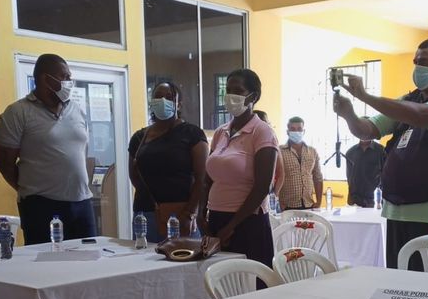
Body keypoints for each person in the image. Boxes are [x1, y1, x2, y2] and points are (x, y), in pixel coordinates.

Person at [333, 37, 428, 270]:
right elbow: (367, 130)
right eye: (415, 62)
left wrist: (366, 97)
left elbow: (421, 115)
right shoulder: (408, 100)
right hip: (396, 211)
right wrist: (349, 114)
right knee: (397, 283)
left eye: (424, 62)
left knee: (425, 286)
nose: (417, 67)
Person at [0, 54, 96, 244]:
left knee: (88, 257)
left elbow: (82, 155)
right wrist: (30, 188)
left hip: (82, 202)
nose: (69, 82)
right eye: (64, 76)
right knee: (46, 260)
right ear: (45, 79)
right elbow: (4, 163)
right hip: (41, 205)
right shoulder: (18, 112)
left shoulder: (76, 110)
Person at [200, 68, 278, 267]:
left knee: (250, 280)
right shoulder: (221, 132)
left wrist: (231, 226)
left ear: (254, 96)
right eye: (228, 90)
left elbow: (262, 186)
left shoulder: (262, 132)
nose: (231, 96)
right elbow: (207, 180)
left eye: (238, 91)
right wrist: (201, 215)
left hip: (247, 221)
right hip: (216, 218)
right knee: (218, 280)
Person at [128, 82, 207, 241]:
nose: (163, 100)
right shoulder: (139, 137)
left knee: (183, 256)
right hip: (145, 214)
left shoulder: (192, 134)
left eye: (169, 97)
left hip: (181, 214)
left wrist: (190, 213)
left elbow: (201, 179)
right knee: (144, 255)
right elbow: (134, 176)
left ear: (179, 104)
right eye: (158, 97)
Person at [277, 116, 323, 210]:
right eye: (293, 129)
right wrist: (278, 203)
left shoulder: (312, 151)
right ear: (288, 132)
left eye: (299, 129)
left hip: (309, 205)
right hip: (287, 206)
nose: (296, 132)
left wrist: (319, 202)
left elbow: (318, 177)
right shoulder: (279, 151)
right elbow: (274, 178)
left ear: (304, 131)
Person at [345, 138, 386, 207]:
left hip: (375, 199)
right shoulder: (350, 152)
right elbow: (349, 177)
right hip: (356, 200)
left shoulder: (381, 151)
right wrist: (350, 198)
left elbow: (385, 176)